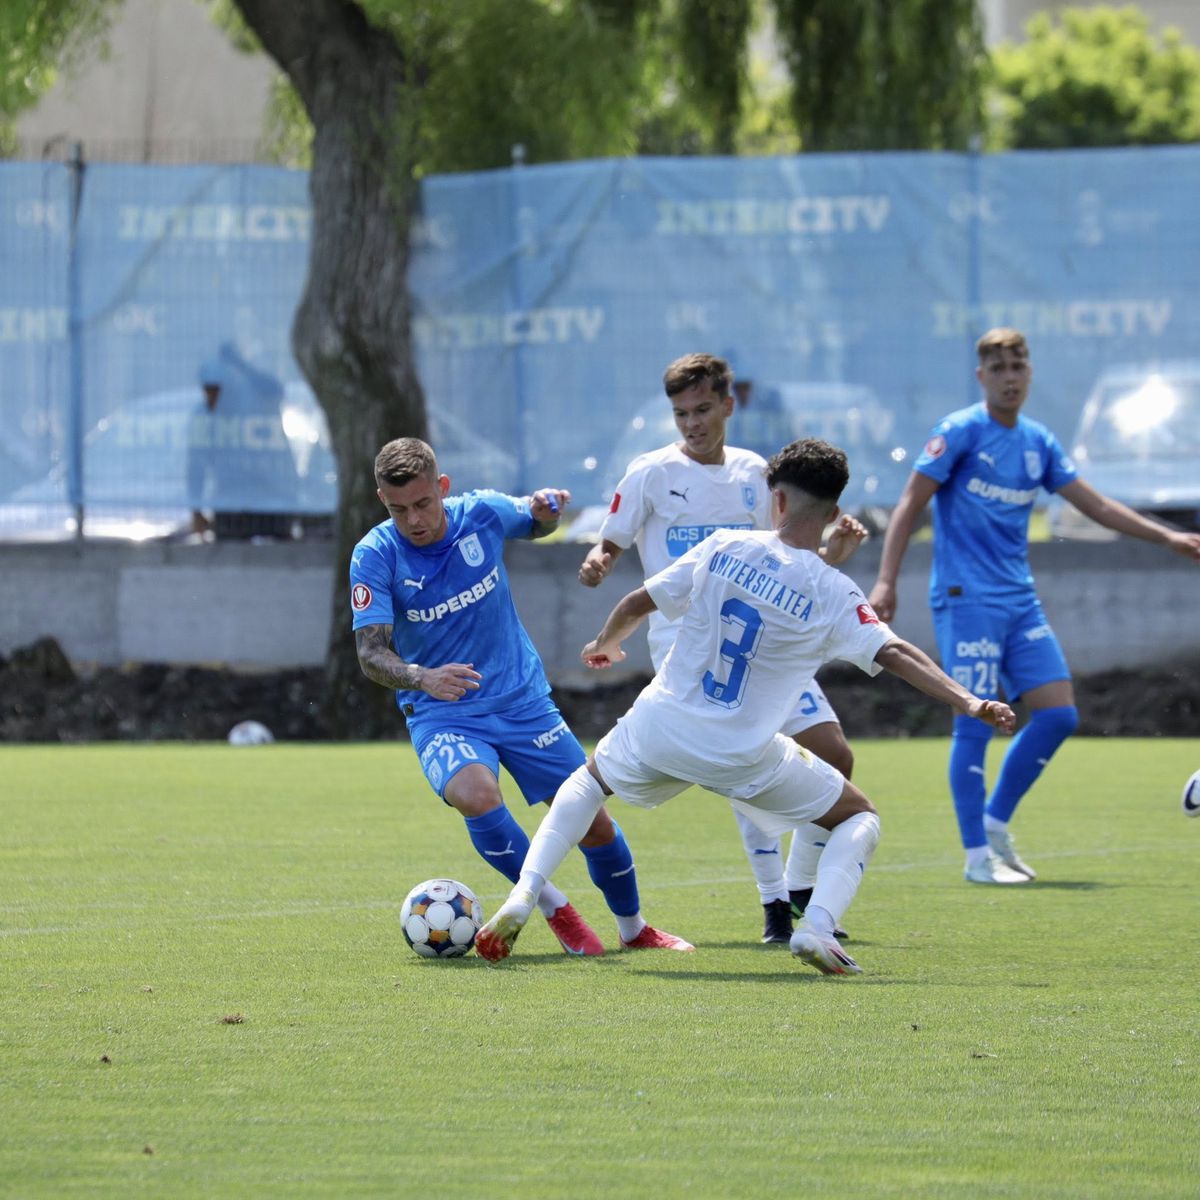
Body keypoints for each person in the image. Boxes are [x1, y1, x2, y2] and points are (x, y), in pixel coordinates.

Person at [476, 438, 1015, 973]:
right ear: (832, 514)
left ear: (776, 499)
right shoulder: (834, 590)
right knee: (859, 817)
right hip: (741, 754)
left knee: (587, 784)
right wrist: (970, 702)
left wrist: (606, 643)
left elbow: (638, 601)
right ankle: (815, 924)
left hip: (662, 725)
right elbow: (893, 651)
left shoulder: (724, 546)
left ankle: (525, 893)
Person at [868, 327, 1200, 884]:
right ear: (981, 377)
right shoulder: (959, 432)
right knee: (975, 718)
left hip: (1018, 598)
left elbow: (1095, 505)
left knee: (1058, 713)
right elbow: (908, 505)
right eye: (998, 368)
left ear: (1030, 372)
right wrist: (886, 581)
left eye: (1017, 366)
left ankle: (995, 824)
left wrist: (1167, 537)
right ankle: (977, 857)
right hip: (966, 597)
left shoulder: (1037, 441)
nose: (1009, 377)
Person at [349, 437, 693, 956]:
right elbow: (370, 653)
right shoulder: (375, 554)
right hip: (444, 711)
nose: (414, 520)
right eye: (399, 509)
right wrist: (423, 677)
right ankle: (554, 907)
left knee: (594, 824)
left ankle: (634, 929)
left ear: (442, 487)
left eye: (423, 503)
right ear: (382, 499)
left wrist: (546, 510)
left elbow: (536, 521)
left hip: (522, 701)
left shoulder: (480, 514)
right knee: (475, 794)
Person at [578, 352, 867, 945]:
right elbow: (611, 541)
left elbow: (784, 556)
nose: (693, 423)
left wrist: (830, 555)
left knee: (836, 755)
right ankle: (775, 903)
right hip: (689, 652)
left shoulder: (755, 474)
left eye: (703, 409)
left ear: (728, 406)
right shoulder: (650, 473)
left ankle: (800, 886)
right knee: (743, 756)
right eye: (681, 413)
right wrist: (599, 560)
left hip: (762, 640)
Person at [186, 342, 300, 540]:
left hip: (273, 500)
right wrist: (196, 510)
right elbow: (196, 466)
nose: (212, 398)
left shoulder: (256, 401)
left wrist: (241, 364)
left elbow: (276, 390)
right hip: (229, 505)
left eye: (216, 391)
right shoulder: (204, 415)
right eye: (207, 391)